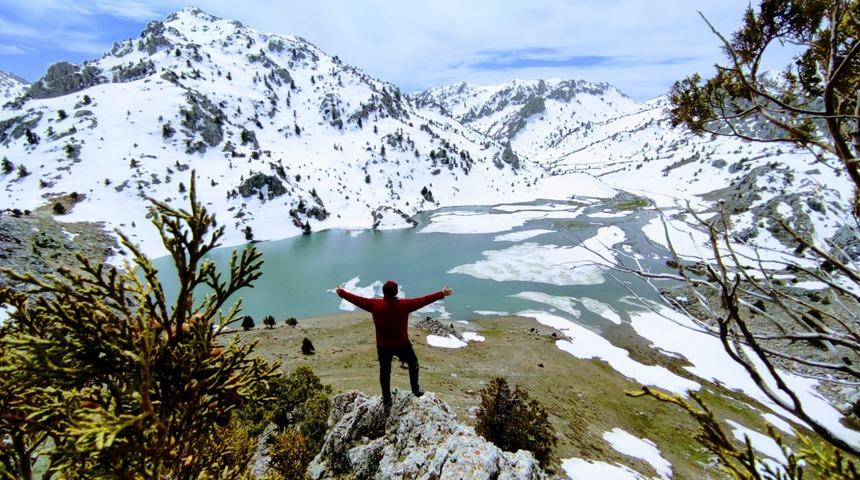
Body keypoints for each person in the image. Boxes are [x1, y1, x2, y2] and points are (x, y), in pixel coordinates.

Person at [335, 280, 453, 406]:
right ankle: (416, 390)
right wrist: (441, 293)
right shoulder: (404, 304)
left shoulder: (374, 305)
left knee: (385, 372)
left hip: (383, 346)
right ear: (396, 292)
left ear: (383, 292)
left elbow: (357, 300)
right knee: (413, 364)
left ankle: (387, 399)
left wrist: (341, 292)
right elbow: (423, 300)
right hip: (402, 344)